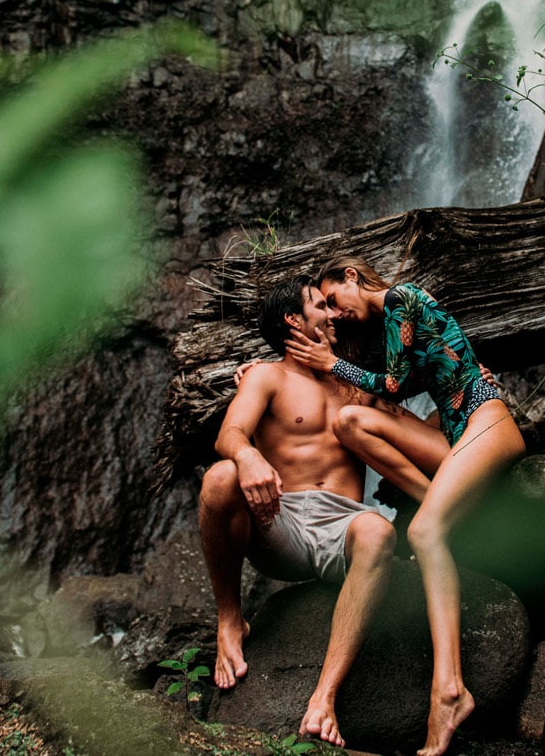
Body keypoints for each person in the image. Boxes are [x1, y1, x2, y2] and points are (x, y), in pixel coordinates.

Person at [283, 255, 526, 756]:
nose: (334, 312)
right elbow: (390, 390)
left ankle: (449, 692)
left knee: (423, 534)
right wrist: (260, 367)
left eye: (333, 300)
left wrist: (332, 363)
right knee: (349, 422)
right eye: (323, 308)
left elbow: (392, 386)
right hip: (456, 436)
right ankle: (429, 497)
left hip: (486, 418)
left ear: (352, 276)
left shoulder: (402, 297)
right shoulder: (392, 330)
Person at [199, 273, 404, 747]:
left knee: (377, 533)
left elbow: (411, 429)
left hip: (343, 528)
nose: (334, 314)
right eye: (320, 306)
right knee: (220, 477)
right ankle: (230, 618)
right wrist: (248, 455)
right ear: (294, 319)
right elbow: (228, 436)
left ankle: (323, 698)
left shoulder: (355, 382)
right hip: (281, 521)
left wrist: (471, 392)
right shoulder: (266, 376)